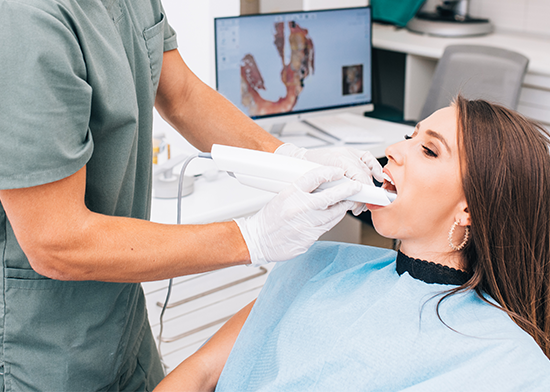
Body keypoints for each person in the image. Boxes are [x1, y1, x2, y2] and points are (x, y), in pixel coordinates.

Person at [0, 0, 380, 390]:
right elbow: (57, 243)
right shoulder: (20, 2)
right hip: (42, 352)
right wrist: (252, 236)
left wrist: (292, 162)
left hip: (119, 327)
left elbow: (178, 92)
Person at [156, 97, 550, 392]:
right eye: (410, 136)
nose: (394, 150)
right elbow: (203, 369)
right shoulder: (319, 264)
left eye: (428, 150)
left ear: (470, 210)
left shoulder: (506, 359)